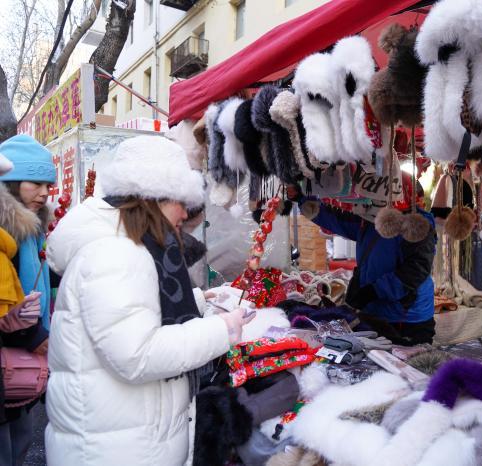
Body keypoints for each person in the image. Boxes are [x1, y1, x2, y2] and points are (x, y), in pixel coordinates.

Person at [44, 135, 253, 465]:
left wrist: (198, 300)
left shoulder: (126, 247)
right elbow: (137, 354)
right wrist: (222, 329)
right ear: (152, 199)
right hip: (115, 450)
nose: (185, 212)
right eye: (179, 200)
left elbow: (132, 313)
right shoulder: (118, 253)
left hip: (123, 439)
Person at [288, 177, 437, 346]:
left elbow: (415, 271)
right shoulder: (369, 220)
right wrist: (303, 199)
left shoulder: (417, 228)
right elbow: (338, 219)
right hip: (375, 312)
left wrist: (373, 291)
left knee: (409, 361)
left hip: (408, 319)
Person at [0, 135, 55, 466]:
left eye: (48, 184)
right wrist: (33, 335)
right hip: (14, 346)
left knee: (19, 438)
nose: (45, 193)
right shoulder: (7, 230)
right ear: (12, 182)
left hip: (24, 353)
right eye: (36, 183)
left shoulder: (33, 228)